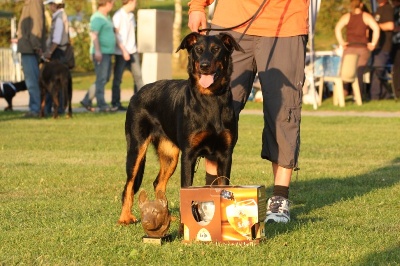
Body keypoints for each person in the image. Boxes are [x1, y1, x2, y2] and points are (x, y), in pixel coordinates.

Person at [188, 0, 309, 223]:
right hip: (230, 22)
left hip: (285, 26)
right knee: (214, 108)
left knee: (283, 111)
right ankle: (212, 193)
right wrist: (197, 6)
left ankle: (279, 199)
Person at [334, 0, 380, 99]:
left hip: (349, 48)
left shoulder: (347, 16)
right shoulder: (366, 16)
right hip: (362, 48)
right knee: (359, 71)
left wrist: (341, 42)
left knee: (345, 72)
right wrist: (373, 43)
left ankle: (343, 93)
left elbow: (337, 28)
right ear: (361, 4)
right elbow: (376, 28)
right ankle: (358, 95)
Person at [80, 0, 118, 112]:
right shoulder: (97, 17)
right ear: (106, 3)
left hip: (107, 52)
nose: (112, 6)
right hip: (100, 52)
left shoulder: (106, 17)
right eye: (112, 3)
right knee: (101, 79)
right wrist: (97, 51)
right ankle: (102, 105)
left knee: (104, 78)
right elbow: (94, 35)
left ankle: (87, 100)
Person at [111, 0, 144, 111]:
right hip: (121, 52)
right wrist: (123, 50)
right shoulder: (118, 16)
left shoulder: (131, 16)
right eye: (134, 2)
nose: (135, 4)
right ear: (129, 2)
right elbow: (116, 35)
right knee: (118, 79)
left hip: (133, 51)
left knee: (138, 77)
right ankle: (115, 103)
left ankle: (140, 102)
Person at [17, 0, 46, 118]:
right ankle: (35, 108)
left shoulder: (34, 2)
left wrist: (36, 46)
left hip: (30, 48)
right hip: (28, 47)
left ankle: (35, 109)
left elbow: (36, 26)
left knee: (32, 81)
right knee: (32, 80)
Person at [43, 0, 70, 115]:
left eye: (50, 4)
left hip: (58, 54)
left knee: (56, 83)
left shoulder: (59, 18)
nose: (49, 7)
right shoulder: (61, 16)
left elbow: (56, 40)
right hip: (60, 53)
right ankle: (56, 108)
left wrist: (49, 52)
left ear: (55, 4)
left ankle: (58, 109)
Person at [370, 0, 394, 100]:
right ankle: (385, 95)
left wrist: (375, 27)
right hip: (377, 46)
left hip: (384, 46)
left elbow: (391, 25)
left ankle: (374, 96)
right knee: (379, 72)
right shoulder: (378, 9)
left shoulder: (388, 9)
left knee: (378, 69)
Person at [392, 0, 400, 99]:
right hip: (395, 43)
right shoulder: (393, 10)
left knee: (397, 67)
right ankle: (397, 91)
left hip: (397, 43)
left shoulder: (395, 10)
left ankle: (397, 91)